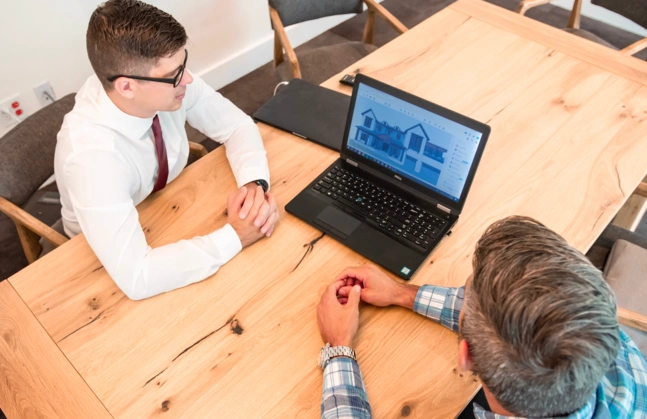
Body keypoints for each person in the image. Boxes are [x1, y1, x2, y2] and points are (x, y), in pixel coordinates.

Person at [54, 0, 278, 300]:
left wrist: (253, 183)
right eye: (175, 74)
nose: (187, 79)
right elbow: (138, 277)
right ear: (127, 87)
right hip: (97, 256)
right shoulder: (91, 159)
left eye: (184, 64)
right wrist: (235, 236)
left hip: (167, 203)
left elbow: (237, 125)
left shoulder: (164, 82)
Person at [317, 216, 647, 419]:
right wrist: (401, 294)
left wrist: (338, 347)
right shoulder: (600, 330)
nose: (461, 297)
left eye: (466, 297)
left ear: (467, 355)